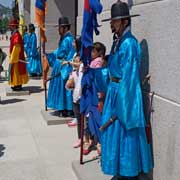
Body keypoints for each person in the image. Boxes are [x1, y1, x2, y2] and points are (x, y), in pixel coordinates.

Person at [97, 1, 154, 179]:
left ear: (124, 22)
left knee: (125, 133)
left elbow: (129, 77)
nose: (111, 24)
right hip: (114, 92)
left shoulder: (129, 44)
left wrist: (121, 106)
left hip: (124, 94)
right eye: (112, 21)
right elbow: (113, 69)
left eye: (115, 21)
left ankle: (128, 173)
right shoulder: (118, 41)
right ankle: (120, 171)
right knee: (114, 135)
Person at [46, 17, 75, 117]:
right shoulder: (64, 38)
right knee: (60, 88)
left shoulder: (69, 39)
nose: (58, 30)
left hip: (64, 66)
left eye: (60, 28)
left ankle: (67, 109)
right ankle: (61, 107)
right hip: (59, 64)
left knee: (64, 89)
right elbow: (58, 51)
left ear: (65, 28)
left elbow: (71, 54)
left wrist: (66, 66)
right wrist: (48, 55)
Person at [65, 55, 83, 148]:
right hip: (75, 99)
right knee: (79, 120)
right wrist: (69, 84)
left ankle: (89, 139)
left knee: (87, 121)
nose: (75, 64)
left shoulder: (83, 73)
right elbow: (67, 86)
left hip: (83, 99)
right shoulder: (73, 73)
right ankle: (80, 138)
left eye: (77, 62)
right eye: (74, 61)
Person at [8, 18, 29, 91]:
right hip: (16, 57)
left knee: (17, 72)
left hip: (17, 58)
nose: (10, 27)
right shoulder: (15, 34)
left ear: (14, 26)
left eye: (11, 26)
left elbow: (16, 47)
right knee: (16, 72)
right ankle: (16, 84)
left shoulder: (16, 35)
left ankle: (18, 85)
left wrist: (13, 58)